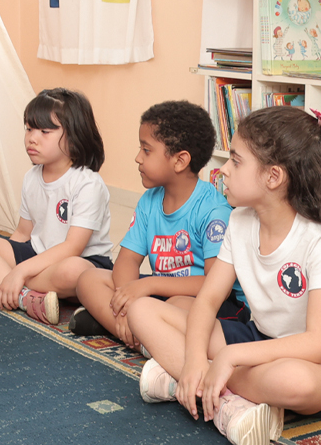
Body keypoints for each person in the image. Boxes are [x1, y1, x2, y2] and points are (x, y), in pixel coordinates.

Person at [127, 107, 321, 444]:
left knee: (303, 384)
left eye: (235, 161)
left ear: (273, 177)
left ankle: (186, 382)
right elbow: (207, 301)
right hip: (255, 339)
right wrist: (196, 360)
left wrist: (227, 358)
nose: (223, 170)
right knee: (141, 309)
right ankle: (222, 398)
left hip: (300, 357)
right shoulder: (239, 220)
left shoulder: (314, 238)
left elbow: (316, 342)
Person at [73, 101, 242, 348]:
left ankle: (131, 330)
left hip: (203, 300)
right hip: (158, 292)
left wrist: (147, 284)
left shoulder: (214, 210)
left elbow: (214, 284)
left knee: (177, 306)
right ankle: (135, 331)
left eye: (146, 150)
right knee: (88, 279)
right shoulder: (149, 201)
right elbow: (128, 259)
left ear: (180, 161)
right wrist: (124, 301)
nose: (137, 157)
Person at [0, 88, 113, 325]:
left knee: (73, 271)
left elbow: (72, 247)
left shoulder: (87, 183)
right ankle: (25, 297)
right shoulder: (31, 177)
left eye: (45, 131)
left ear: (74, 135)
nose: (32, 138)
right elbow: (22, 233)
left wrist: (19, 272)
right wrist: (9, 258)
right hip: (37, 255)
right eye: (29, 128)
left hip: (80, 260)